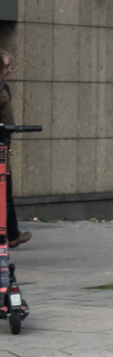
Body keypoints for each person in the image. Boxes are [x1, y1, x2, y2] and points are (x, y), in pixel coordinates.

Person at [0, 49, 29, 248]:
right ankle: (10, 234)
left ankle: (12, 233)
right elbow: (9, 122)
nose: (10, 71)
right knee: (5, 189)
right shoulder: (2, 90)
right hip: (1, 145)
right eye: (7, 67)